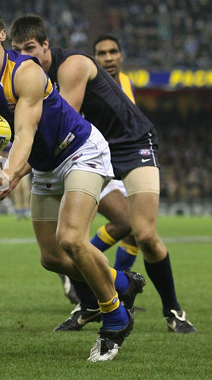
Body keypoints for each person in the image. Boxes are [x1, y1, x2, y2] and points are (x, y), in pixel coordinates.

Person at [0, 1, 144, 362]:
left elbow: (24, 134)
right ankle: (123, 281)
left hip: (80, 149)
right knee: (52, 258)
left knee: (71, 238)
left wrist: (9, 172)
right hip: (45, 165)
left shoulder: (26, 73)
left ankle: (115, 319)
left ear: (2, 35)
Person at [9, 15, 196, 334]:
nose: (25, 57)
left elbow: (58, 130)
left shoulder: (73, 67)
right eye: (17, 51)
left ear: (46, 44)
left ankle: (173, 311)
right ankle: (95, 301)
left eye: (30, 49)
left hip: (131, 143)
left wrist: (11, 173)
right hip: (93, 150)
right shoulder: (28, 76)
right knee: (68, 244)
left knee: (145, 235)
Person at [57, 34, 139, 307]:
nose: (108, 58)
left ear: (121, 56)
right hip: (90, 162)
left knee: (133, 231)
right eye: (101, 54)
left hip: (118, 162)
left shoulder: (126, 83)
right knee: (123, 224)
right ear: (93, 59)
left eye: (112, 52)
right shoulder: (85, 83)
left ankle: (113, 290)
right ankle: (81, 273)